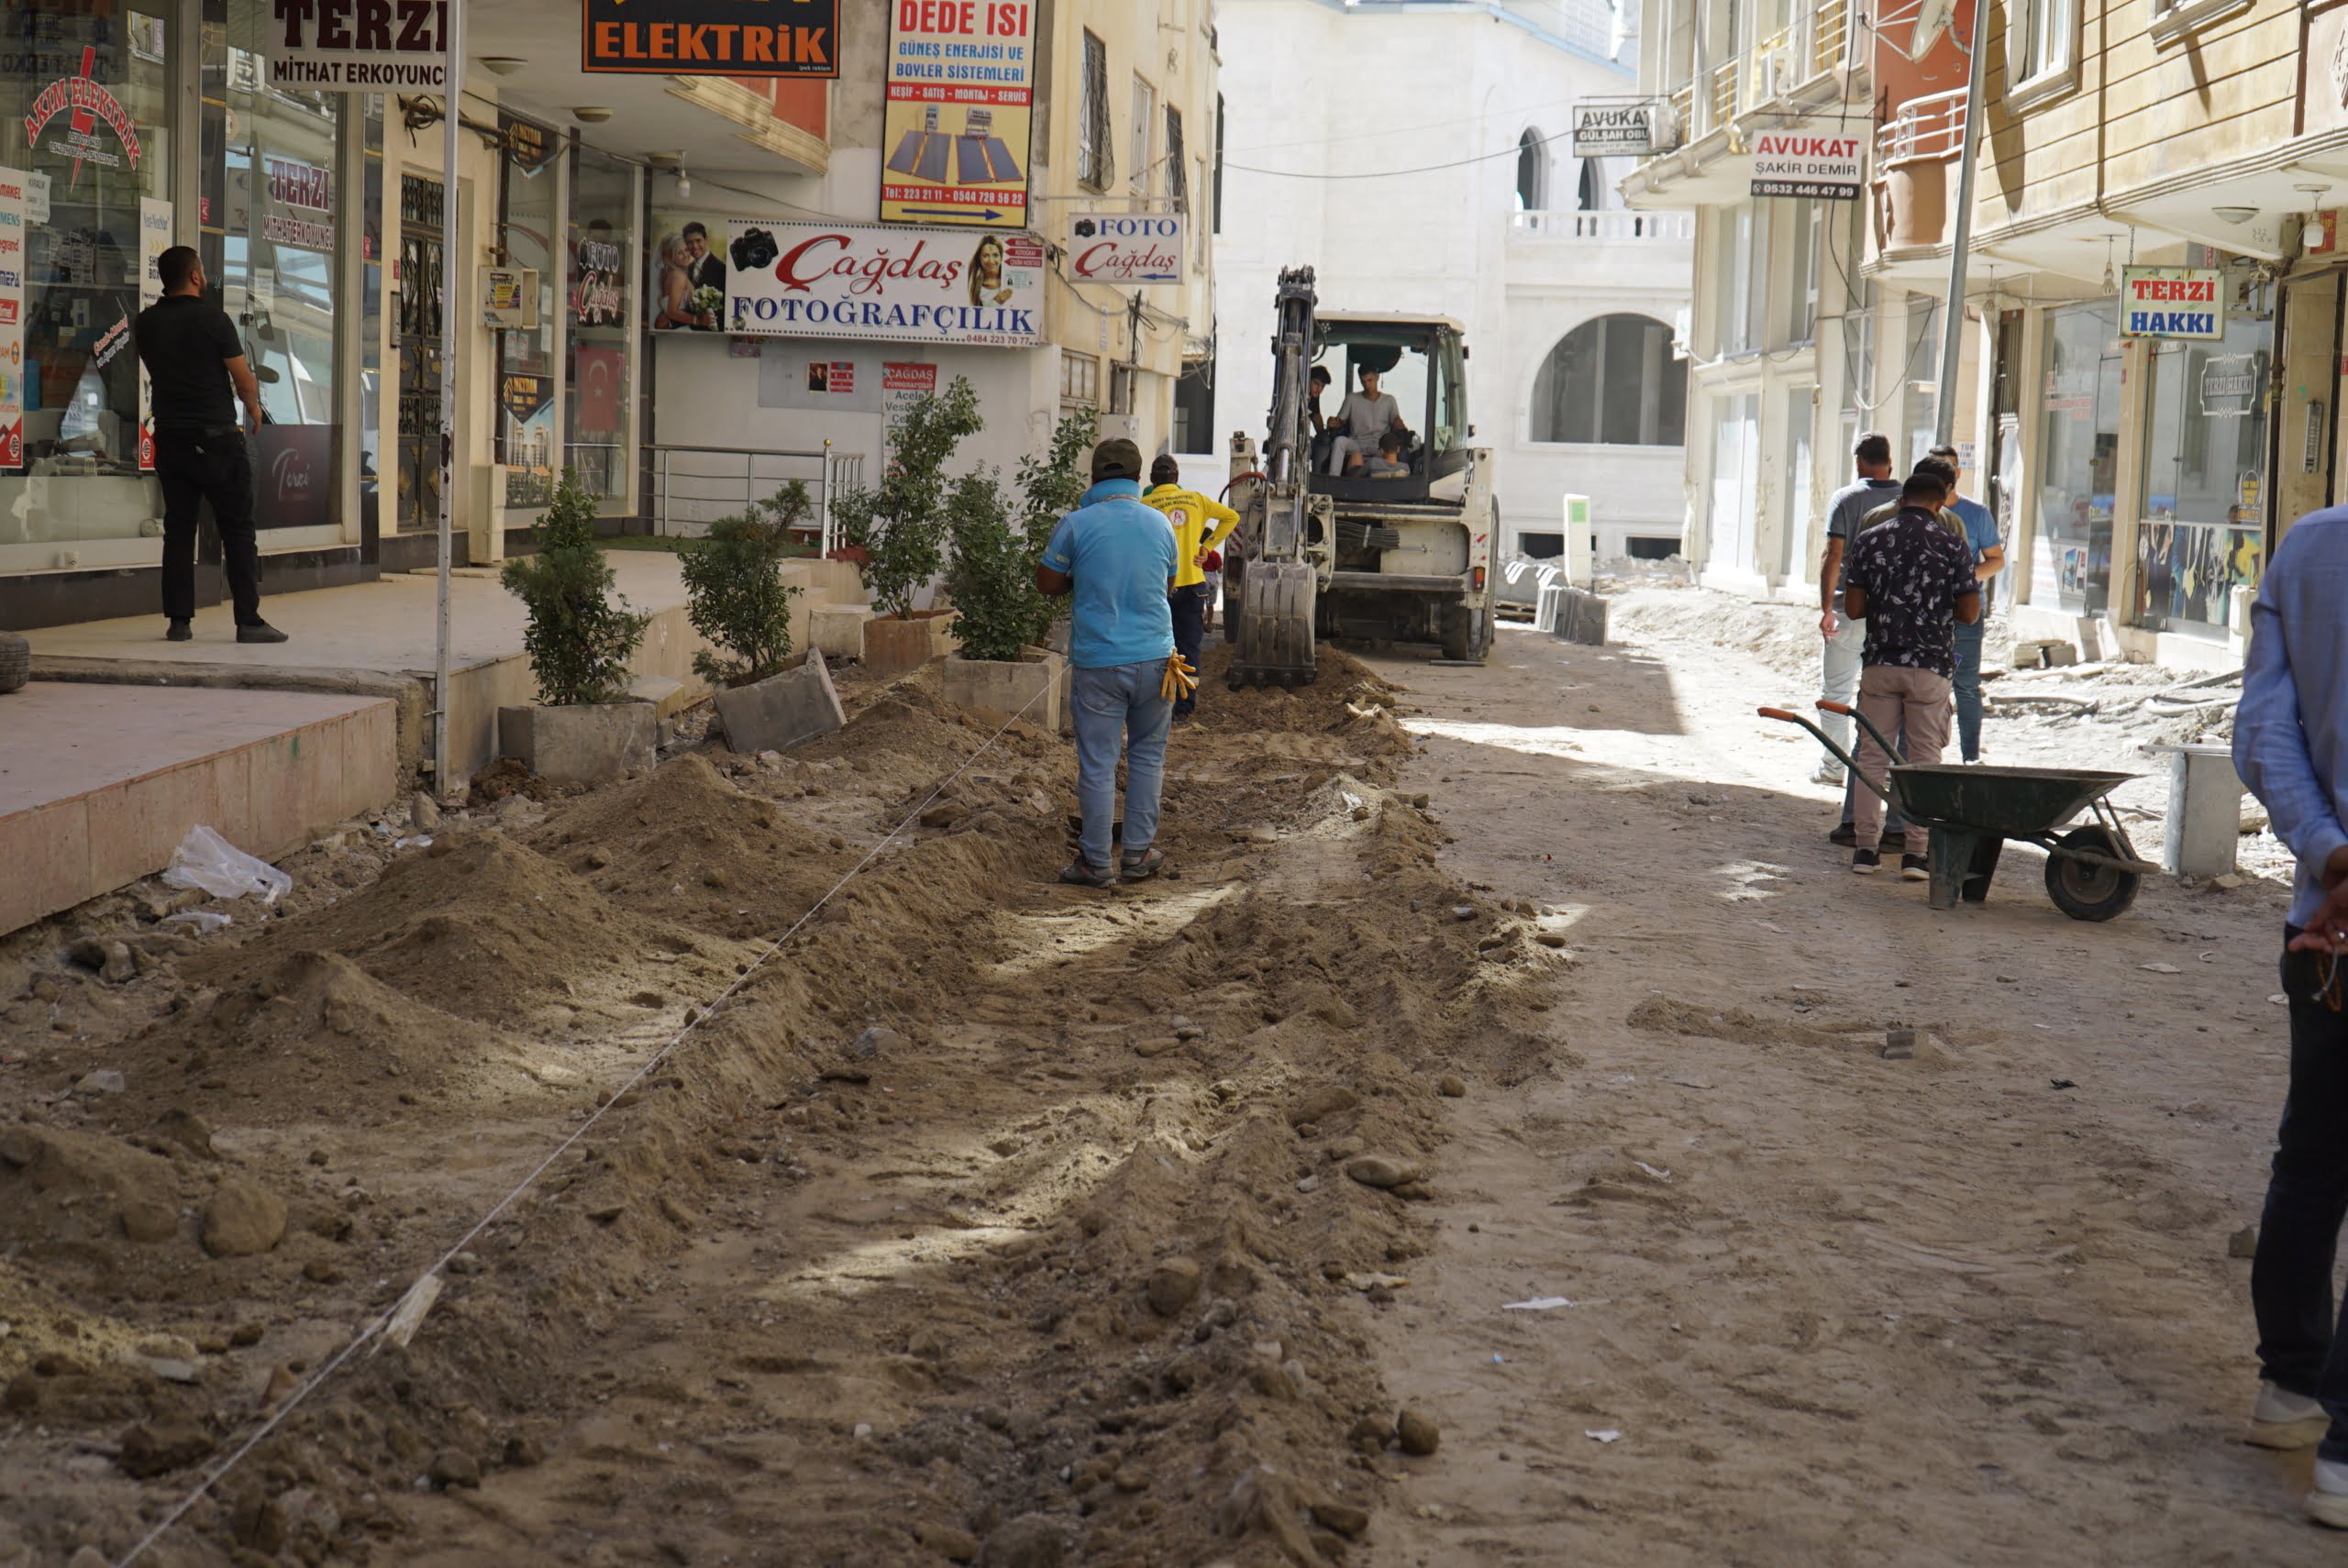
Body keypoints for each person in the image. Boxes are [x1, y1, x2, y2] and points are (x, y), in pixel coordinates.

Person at [2232, 501, 2348, 1529]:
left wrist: (2330, 854)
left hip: (2326, 931)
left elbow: (2263, 731)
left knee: (2314, 1152)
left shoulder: (2315, 547)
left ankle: (2292, 1388)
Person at [1038, 438, 1181, 888]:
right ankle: (1137, 856)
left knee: (1098, 763)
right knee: (1147, 757)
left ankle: (1096, 863)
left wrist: (1078, 581)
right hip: (1158, 659)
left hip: (1100, 663)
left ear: (1094, 477)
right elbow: (1170, 583)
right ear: (1138, 479)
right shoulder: (1160, 525)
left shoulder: (1075, 525)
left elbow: (1046, 582)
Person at [133, 245, 284, 645]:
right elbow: (243, 377)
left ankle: (179, 622)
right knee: (237, 528)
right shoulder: (214, 321)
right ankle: (248, 621)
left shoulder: (145, 324)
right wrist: (253, 408)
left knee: (179, 530)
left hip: (170, 437)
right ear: (196, 276)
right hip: (216, 438)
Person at [1839, 464, 1980, 878]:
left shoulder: (1869, 539)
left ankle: (1866, 849)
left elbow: (1853, 608)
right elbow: (1970, 613)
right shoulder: (1952, 545)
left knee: (1872, 759)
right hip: (1930, 668)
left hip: (1881, 663)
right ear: (1939, 506)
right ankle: (1916, 854)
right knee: (1923, 762)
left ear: (1902, 500)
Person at [1819, 433, 1902, 837]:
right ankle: (1877, 777)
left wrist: (1824, 607)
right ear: (1889, 460)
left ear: (1859, 462)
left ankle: (1835, 768)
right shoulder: (1912, 501)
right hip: (1892, 617)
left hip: (1848, 609)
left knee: (1835, 694)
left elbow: (1833, 554)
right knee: (1879, 704)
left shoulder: (1846, 499)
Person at [1143, 455, 1240, 721]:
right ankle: (1183, 709)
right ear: (1176, 478)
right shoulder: (1195, 500)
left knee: (1155, 647)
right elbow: (1231, 517)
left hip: (1159, 587)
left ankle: (1155, 704)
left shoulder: (1146, 504)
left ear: (1152, 480)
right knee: (1188, 648)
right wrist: (1206, 548)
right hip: (1193, 587)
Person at [1928, 444, 2005, 763]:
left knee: (1967, 686)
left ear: (1958, 472)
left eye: (1952, 466)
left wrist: (1966, 577)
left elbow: (1996, 560)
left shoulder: (1976, 514)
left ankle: (1969, 758)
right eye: (1941, 467)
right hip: (1927, 614)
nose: (1949, 473)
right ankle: (1922, 756)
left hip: (1965, 614)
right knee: (1926, 685)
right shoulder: (1917, 511)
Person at [1329, 367, 1406, 475]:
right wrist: (1334, 423)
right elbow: (1340, 421)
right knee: (1339, 441)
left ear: (1377, 377)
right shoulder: (1351, 399)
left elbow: (1397, 423)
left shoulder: (1389, 401)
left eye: (1370, 380)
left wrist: (1399, 425)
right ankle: (1333, 479)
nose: (1367, 385)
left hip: (1380, 446)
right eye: (1363, 382)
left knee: (1393, 450)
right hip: (1357, 443)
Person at [652, 236, 701, 330]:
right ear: (671, 257)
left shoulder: (669, 273)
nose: (686, 255)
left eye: (686, 250)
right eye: (679, 253)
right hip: (679, 329)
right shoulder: (678, 276)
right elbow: (673, 312)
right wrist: (697, 320)